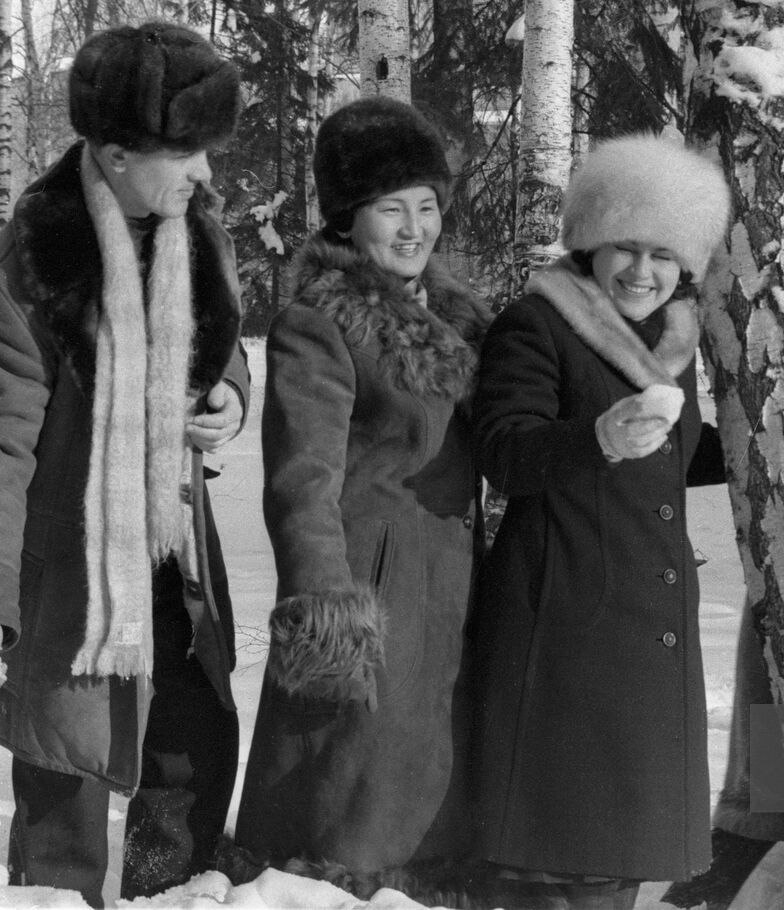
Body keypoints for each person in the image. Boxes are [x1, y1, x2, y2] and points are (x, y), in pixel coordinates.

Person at [0, 22, 246, 905]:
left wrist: (227, 395)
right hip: (75, 572)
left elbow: (219, 350)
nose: (207, 175)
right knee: (65, 763)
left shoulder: (192, 230)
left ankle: (167, 892)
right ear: (111, 155)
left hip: (175, 558)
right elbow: (4, 435)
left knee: (186, 746)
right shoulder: (37, 263)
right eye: (186, 154)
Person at [231, 97, 491, 904]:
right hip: (369, 592)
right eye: (391, 209)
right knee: (348, 813)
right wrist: (326, 608)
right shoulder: (321, 323)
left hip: (453, 594)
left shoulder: (459, 319)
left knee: (433, 794)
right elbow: (301, 478)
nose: (414, 229)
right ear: (349, 219)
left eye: (426, 207)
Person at [468, 133, 729, 909]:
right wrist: (599, 437)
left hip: (642, 625)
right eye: (624, 248)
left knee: (614, 866)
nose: (642, 272)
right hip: (566, 620)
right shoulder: (539, 324)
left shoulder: (666, 344)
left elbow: (674, 453)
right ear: (589, 244)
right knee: (559, 861)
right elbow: (505, 451)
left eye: (662, 253)